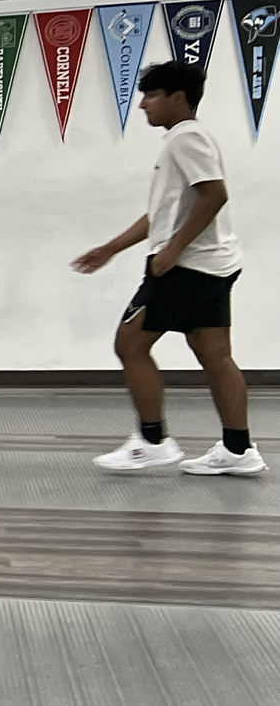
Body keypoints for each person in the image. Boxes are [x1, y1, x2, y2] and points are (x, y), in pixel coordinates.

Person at [75, 60, 261, 475]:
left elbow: (214, 195)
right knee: (215, 355)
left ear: (178, 97)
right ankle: (238, 450)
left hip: (189, 268)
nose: (143, 104)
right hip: (212, 265)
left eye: (152, 95)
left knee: (130, 344)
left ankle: (153, 441)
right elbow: (163, 215)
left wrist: (174, 250)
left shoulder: (186, 138)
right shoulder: (186, 139)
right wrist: (111, 248)